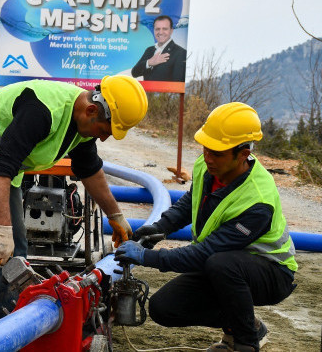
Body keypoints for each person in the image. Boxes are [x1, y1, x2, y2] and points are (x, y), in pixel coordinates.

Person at [0, 75, 148, 341]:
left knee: (16, 247)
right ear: (91, 110)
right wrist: (1, 231)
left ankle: (9, 328)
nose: (104, 139)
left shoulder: (82, 123)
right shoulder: (42, 112)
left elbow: (90, 169)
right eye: (105, 131)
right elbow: (0, 169)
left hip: (2, 169)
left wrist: (116, 217)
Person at [115, 102, 296, 352]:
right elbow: (193, 200)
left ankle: (244, 343)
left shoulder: (257, 200)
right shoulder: (208, 164)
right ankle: (246, 324)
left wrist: (148, 257)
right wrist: (161, 226)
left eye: (217, 153)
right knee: (163, 308)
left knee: (221, 265)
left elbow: (204, 254)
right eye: (206, 149)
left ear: (243, 154)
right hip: (224, 265)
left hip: (271, 272)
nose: (207, 158)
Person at [131, 15, 187, 82]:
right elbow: (134, 73)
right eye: (157, 29)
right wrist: (149, 63)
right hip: (145, 92)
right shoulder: (149, 50)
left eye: (165, 29)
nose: (160, 32)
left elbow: (178, 84)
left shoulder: (180, 53)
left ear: (171, 31)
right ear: (154, 30)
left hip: (163, 92)